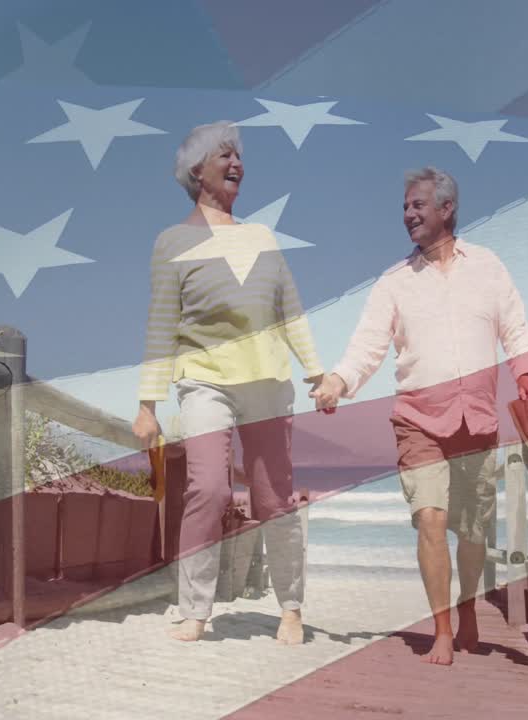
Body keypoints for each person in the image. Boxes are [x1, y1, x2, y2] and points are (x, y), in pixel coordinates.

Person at [310, 166, 528, 665]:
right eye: (404, 208)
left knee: (475, 532)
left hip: (477, 421)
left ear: (446, 209)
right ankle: (441, 629)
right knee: (431, 520)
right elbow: (366, 348)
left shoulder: (488, 267)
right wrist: (337, 382)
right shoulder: (394, 283)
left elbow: (517, 328)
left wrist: (527, 376)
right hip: (418, 420)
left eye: (417, 205)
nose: (408, 214)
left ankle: (468, 611)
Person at [132, 121, 324, 644]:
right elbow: (160, 324)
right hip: (203, 378)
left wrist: (317, 372)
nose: (237, 163)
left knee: (272, 500)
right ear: (197, 171)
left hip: (266, 378)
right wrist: (147, 404)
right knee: (209, 490)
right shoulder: (171, 242)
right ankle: (195, 609)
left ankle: (290, 607)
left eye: (239, 155)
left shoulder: (262, 237)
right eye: (226, 155)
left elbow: (290, 311)